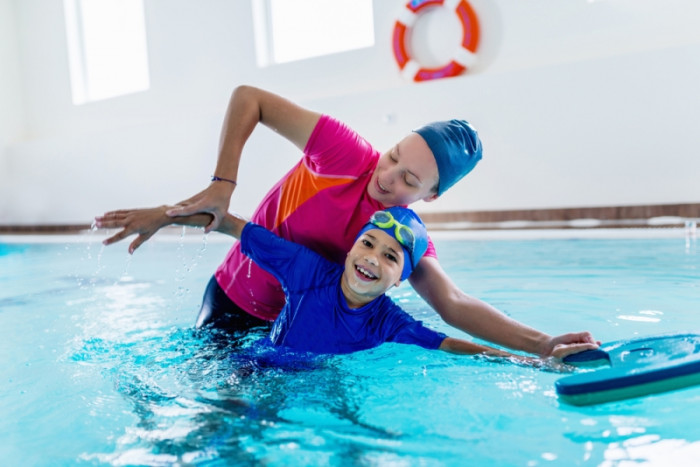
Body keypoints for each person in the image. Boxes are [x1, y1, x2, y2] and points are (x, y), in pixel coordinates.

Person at [95, 85, 599, 358]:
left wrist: (542, 343)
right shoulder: (343, 151)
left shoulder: (401, 236)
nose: (387, 177)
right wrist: (219, 186)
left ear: (431, 195)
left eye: (408, 179)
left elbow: (454, 304)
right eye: (394, 155)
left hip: (288, 330)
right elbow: (249, 98)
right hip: (230, 300)